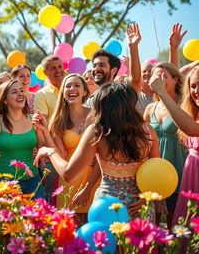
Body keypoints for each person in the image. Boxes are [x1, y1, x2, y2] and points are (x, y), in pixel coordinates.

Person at [34, 82, 160, 220]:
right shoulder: (148, 132)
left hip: (108, 207)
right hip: (140, 206)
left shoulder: (98, 132)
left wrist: (51, 152)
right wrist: (149, 196)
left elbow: (68, 174)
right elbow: (156, 173)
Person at [33, 73, 100, 225]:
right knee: (71, 228)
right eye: (67, 86)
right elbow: (60, 155)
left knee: (94, 227)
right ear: (63, 93)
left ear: (84, 91)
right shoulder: (57, 122)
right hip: (70, 178)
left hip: (94, 178)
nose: (72, 88)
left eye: (76, 85)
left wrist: (89, 187)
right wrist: (45, 131)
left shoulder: (96, 116)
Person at [149, 68, 199, 226]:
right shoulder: (194, 112)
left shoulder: (186, 115)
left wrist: (162, 93)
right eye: (193, 86)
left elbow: (191, 129)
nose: (196, 91)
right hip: (190, 175)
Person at [0, 79, 44, 197]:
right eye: (14, 92)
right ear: (4, 100)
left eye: (21, 90)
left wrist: (44, 129)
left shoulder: (33, 119)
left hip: (33, 182)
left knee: (38, 216)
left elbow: (42, 149)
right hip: (4, 184)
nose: (20, 94)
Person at [144, 62, 187, 229]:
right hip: (153, 176)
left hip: (178, 173)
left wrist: (174, 48)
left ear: (176, 80)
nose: (159, 80)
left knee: (174, 227)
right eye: (156, 77)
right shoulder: (150, 108)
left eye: (164, 76)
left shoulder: (185, 104)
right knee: (152, 225)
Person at [34, 55, 65, 202]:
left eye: (59, 66)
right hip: (52, 152)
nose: (58, 70)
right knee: (51, 194)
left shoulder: (70, 88)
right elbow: (41, 126)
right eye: (53, 68)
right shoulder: (42, 95)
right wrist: (42, 151)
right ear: (45, 72)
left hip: (73, 148)